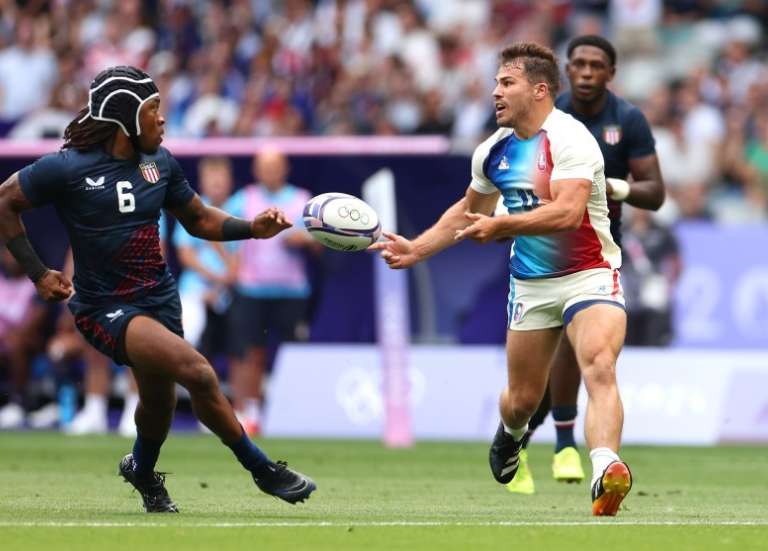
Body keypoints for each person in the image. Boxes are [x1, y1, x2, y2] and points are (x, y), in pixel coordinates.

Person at [0, 66, 316, 513]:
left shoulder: (160, 163)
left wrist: (252, 228)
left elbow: (200, 219)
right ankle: (263, 469)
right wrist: (38, 272)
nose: (162, 120)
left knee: (158, 402)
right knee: (200, 373)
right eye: (153, 111)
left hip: (159, 297)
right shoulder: (68, 168)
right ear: (128, 119)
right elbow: (5, 201)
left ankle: (142, 469)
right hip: (105, 307)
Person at [371, 42, 632, 516]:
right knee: (522, 401)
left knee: (598, 363)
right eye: (496, 82)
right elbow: (469, 212)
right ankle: (511, 436)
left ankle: (605, 467)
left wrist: (503, 225)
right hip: (531, 287)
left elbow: (570, 212)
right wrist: (417, 247)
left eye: (505, 83)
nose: (495, 92)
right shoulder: (493, 151)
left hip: (589, 275)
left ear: (538, 91)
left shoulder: (572, 141)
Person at [505, 35, 665, 495]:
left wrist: (619, 188)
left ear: (610, 73)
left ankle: (572, 448)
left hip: (597, 249)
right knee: (527, 384)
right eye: (580, 64)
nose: (588, 72)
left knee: (592, 354)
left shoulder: (627, 119)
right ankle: (527, 444)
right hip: (537, 247)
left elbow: (656, 191)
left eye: (598, 65)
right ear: (566, 72)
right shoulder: (545, 115)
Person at [224, 147, 320, 435]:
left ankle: (294, 411)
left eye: (275, 166)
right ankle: (249, 413)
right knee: (250, 353)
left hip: (292, 291)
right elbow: (221, 234)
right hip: (251, 290)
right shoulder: (244, 199)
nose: (270, 172)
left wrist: (303, 241)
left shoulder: (303, 200)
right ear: (256, 170)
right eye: (264, 166)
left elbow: (320, 243)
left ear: (285, 168)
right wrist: (232, 267)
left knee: (292, 354)